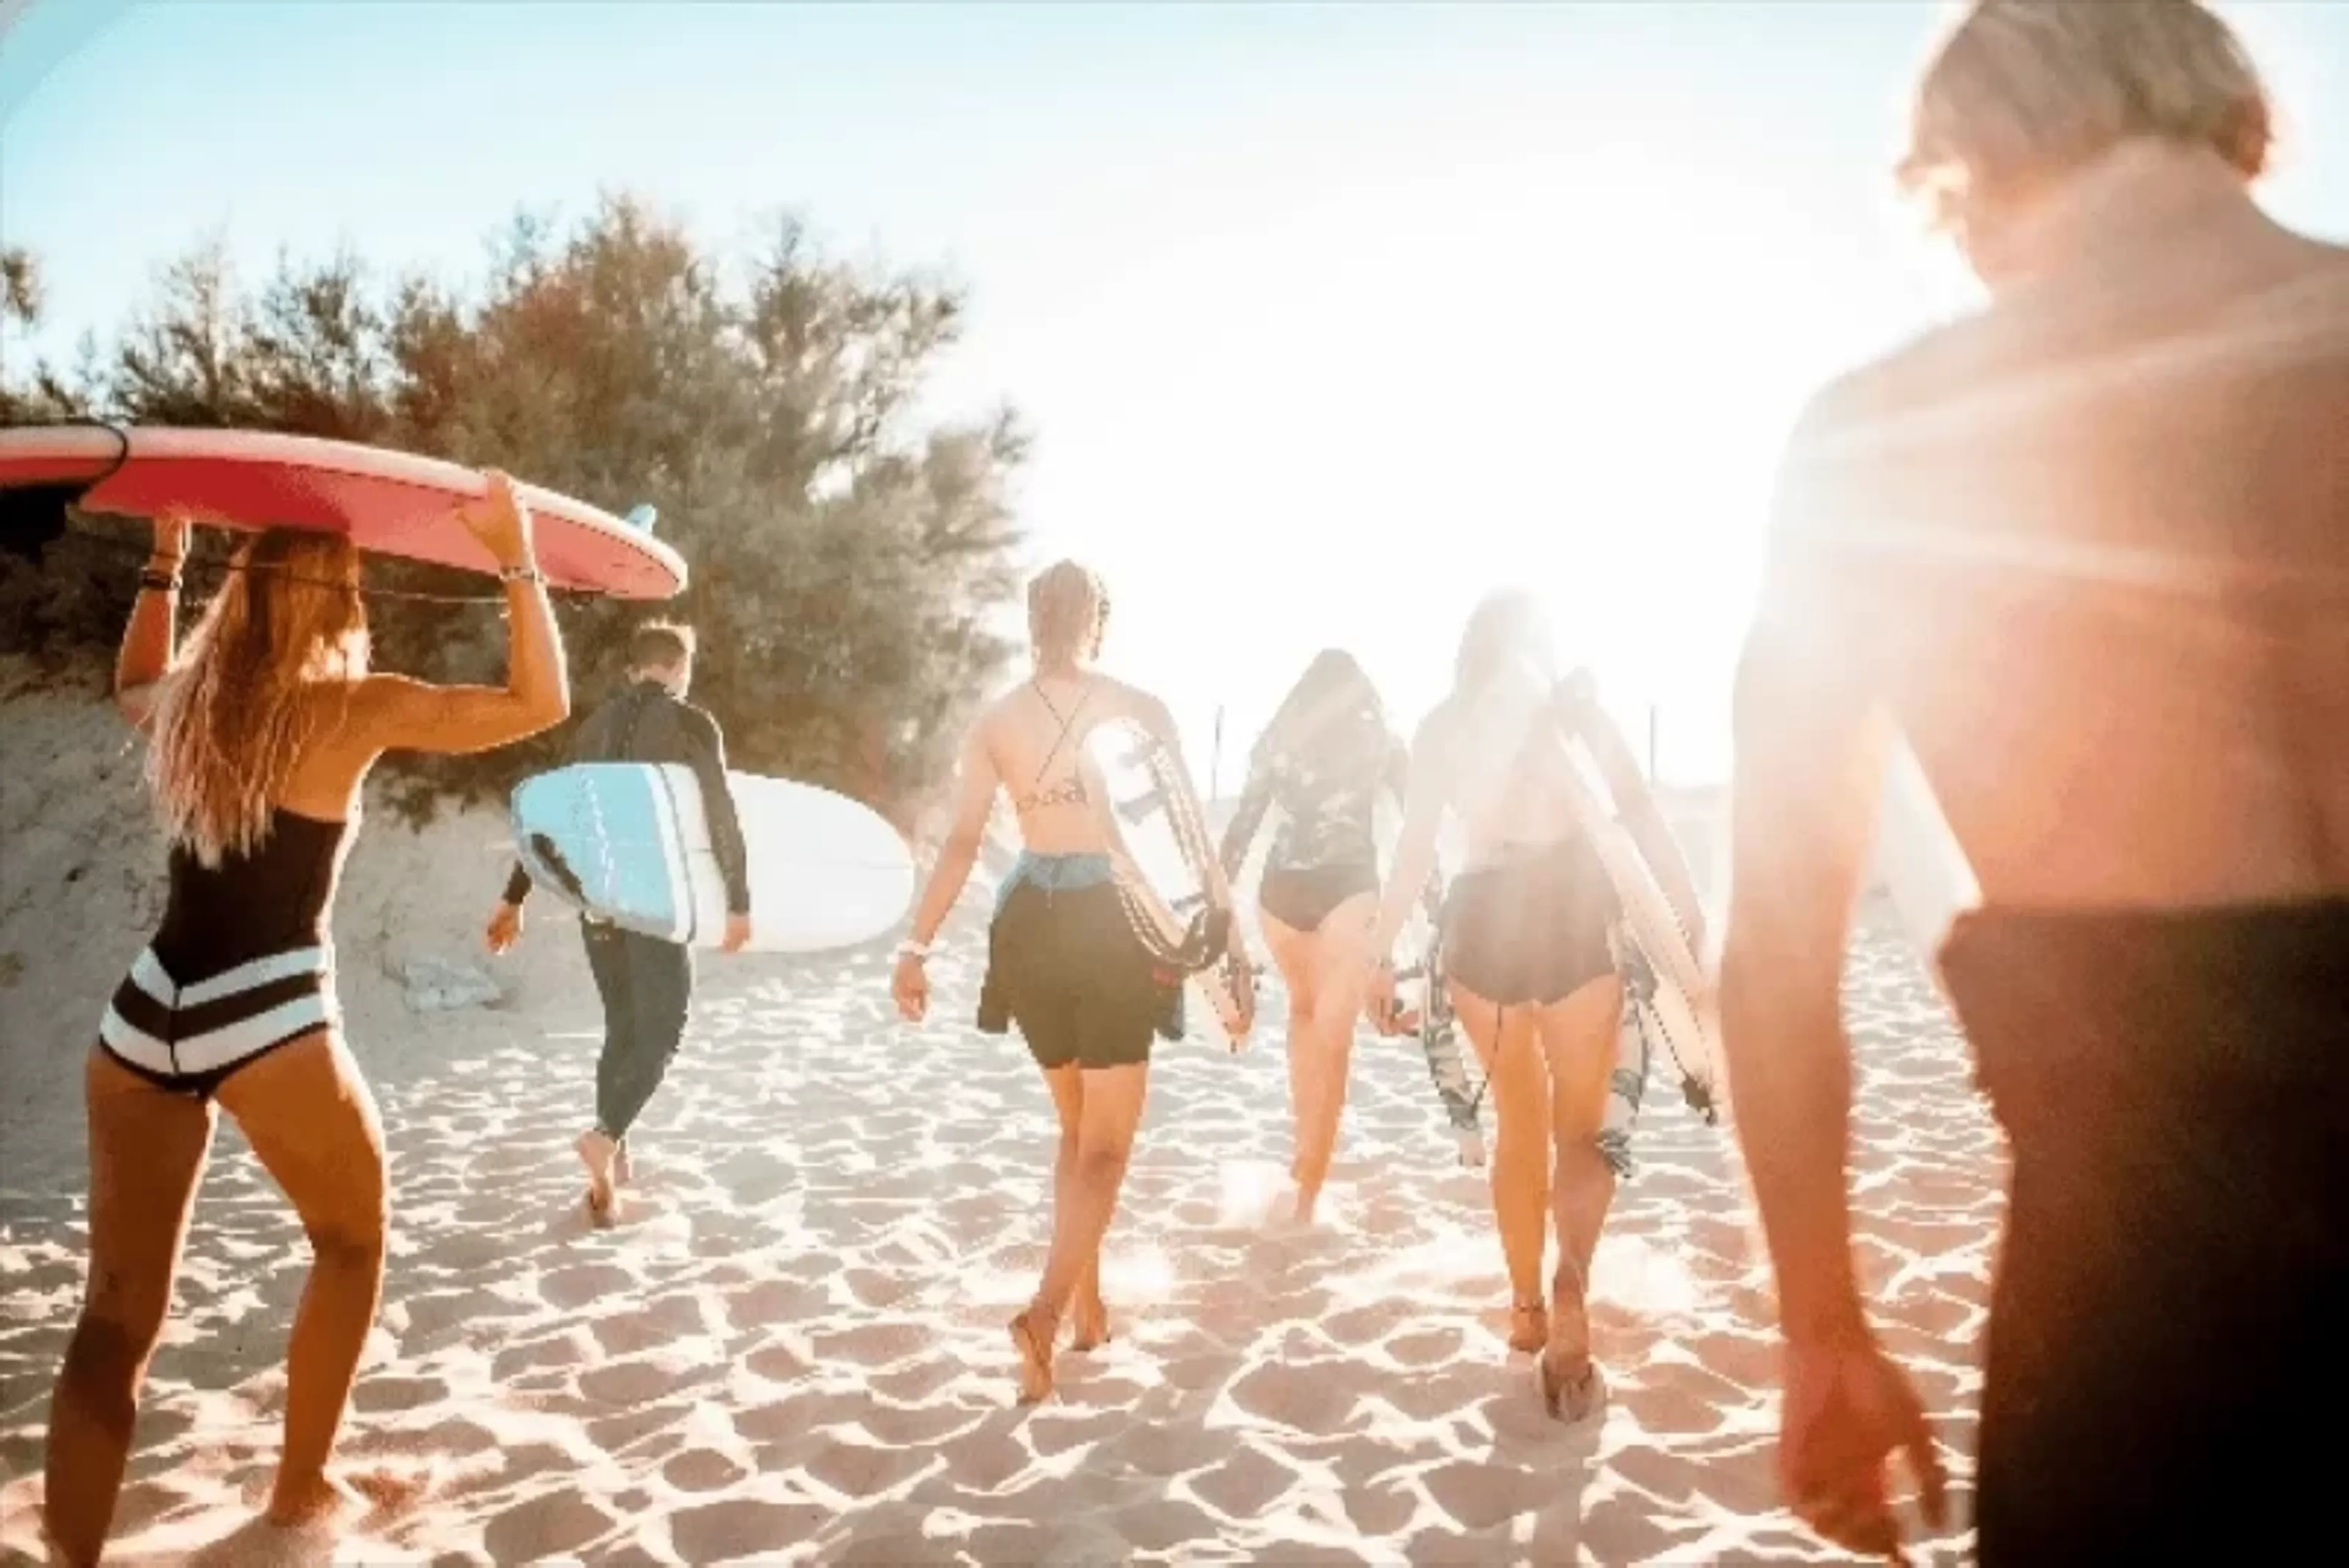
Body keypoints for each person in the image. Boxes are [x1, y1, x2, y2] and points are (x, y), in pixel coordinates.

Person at [1718, 2, 2348, 1560]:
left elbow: (1776, 962)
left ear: (1968, 172)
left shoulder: (1882, 436)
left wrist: (1823, 1337)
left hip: (2135, 1323)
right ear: (2222, 109)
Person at [43, 477, 567, 1566]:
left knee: (113, 1319)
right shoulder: (349, 705)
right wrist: (516, 558)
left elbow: (134, 678)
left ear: (249, 593)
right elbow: (537, 703)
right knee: (351, 1238)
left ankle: (70, 1555)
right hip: (266, 1007)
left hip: (145, 1014)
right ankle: (297, 1487)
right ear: (336, 596)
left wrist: (165, 557)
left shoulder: (194, 700)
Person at [891, 560, 1236, 1405]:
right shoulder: (1141, 709)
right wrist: (1232, 953)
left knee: (1075, 1128)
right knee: (1108, 1145)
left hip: (1027, 927)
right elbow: (1189, 843)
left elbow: (966, 843)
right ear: (1099, 621)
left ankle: (1089, 1307)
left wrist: (916, 945)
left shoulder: (996, 720)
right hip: (1111, 920)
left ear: (1030, 622)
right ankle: (1044, 1312)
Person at [1359, 592, 1705, 1420]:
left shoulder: (1443, 725)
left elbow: (1413, 847)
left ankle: (1525, 1310)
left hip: (1481, 924)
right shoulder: (1577, 713)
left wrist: (1380, 951)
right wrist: (1687, 911)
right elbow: (1640, 813)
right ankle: (1572, 1270)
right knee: (1583, 1128)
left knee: (1519, 1117)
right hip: (1573, 917)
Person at [485, 621, 751, 1224]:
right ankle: (606, 1137)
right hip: (654, 904)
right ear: (681, 669)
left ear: (634, 668)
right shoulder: (690, 724)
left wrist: (513, 898)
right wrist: (739, 900)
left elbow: (547, 820)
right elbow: (719, 810)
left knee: (622, 1025)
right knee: (664, 1029)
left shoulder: (592, 728)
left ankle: (614, 1164)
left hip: (598, 904)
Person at [1216, 650, 1409, 1225]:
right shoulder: (1383, 744)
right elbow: (1414, 835)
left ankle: (1305, 1161)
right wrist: (1425, 922)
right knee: (1335, 1036)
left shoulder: (1276, 742)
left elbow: (1241, 832)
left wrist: (1212, 909)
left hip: (1281, 893)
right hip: (1348, 887)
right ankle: (1310, 1189)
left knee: (1303, 1018)